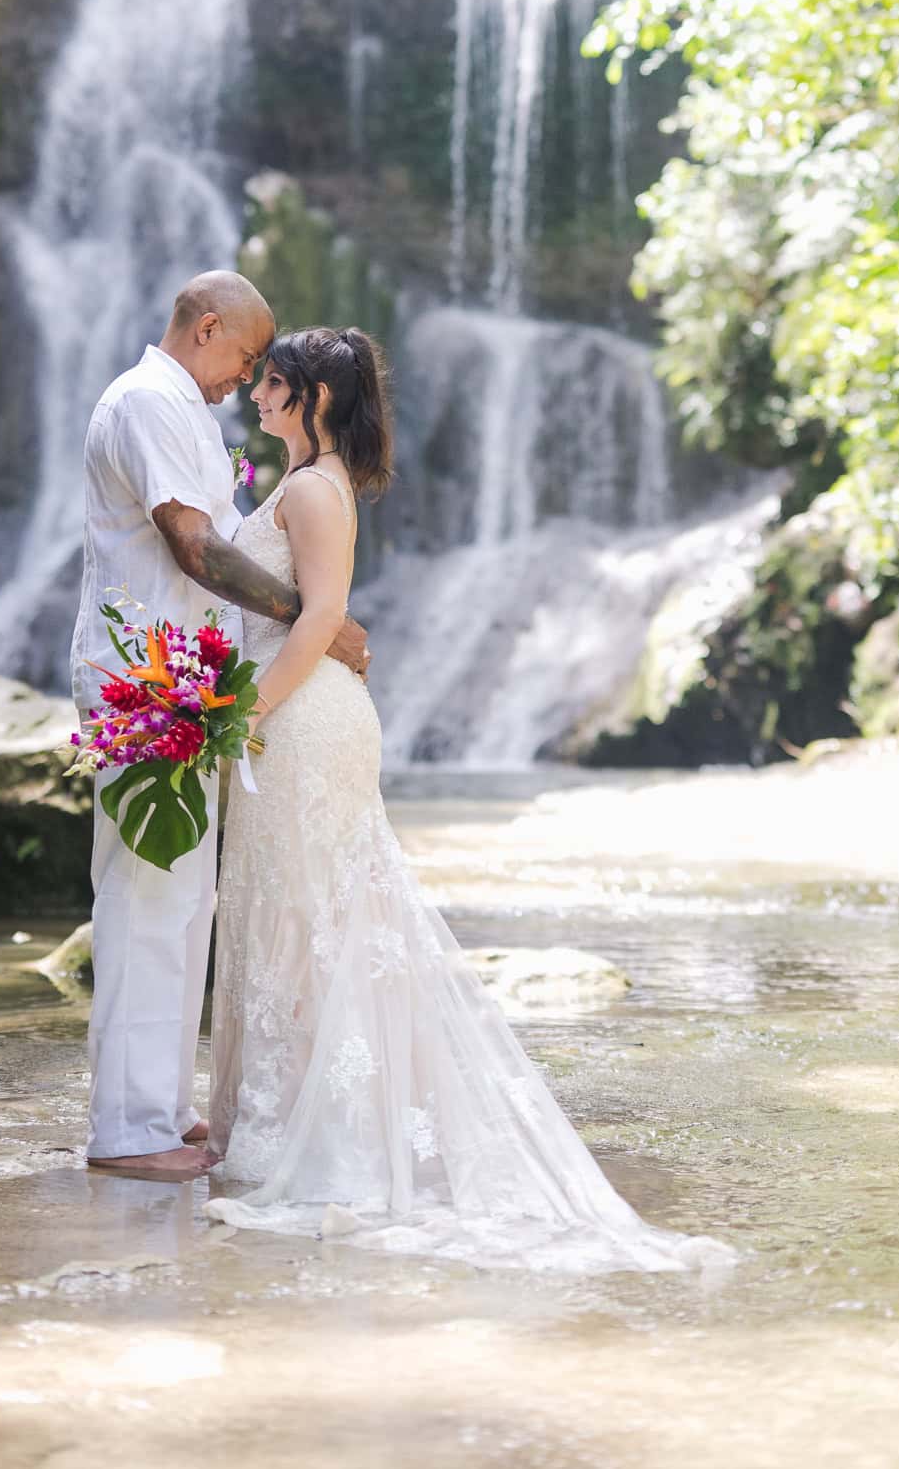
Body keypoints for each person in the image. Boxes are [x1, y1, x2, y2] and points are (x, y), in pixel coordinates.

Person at [204, 325, 731, 1273]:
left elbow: (323, 615)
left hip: (303, 716)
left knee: (317, 913)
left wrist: (249, 710)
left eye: (273, 383)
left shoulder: (317, 492)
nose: (256, 393)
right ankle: (273, 1116)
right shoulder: (295, 485)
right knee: (287, 913)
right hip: (287, 710)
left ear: (315, 399)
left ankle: (319, 1133)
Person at [73, 272, 369, 1182]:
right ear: (207, 328)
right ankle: (128, 1131)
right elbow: (196, 548)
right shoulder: (149, 404)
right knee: (145, 899)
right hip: (144, 681)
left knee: (182, 902)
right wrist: (315, 620)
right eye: (243, 358)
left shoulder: (184, 410)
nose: (246, 381)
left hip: (188, 681)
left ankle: (157, 1109)